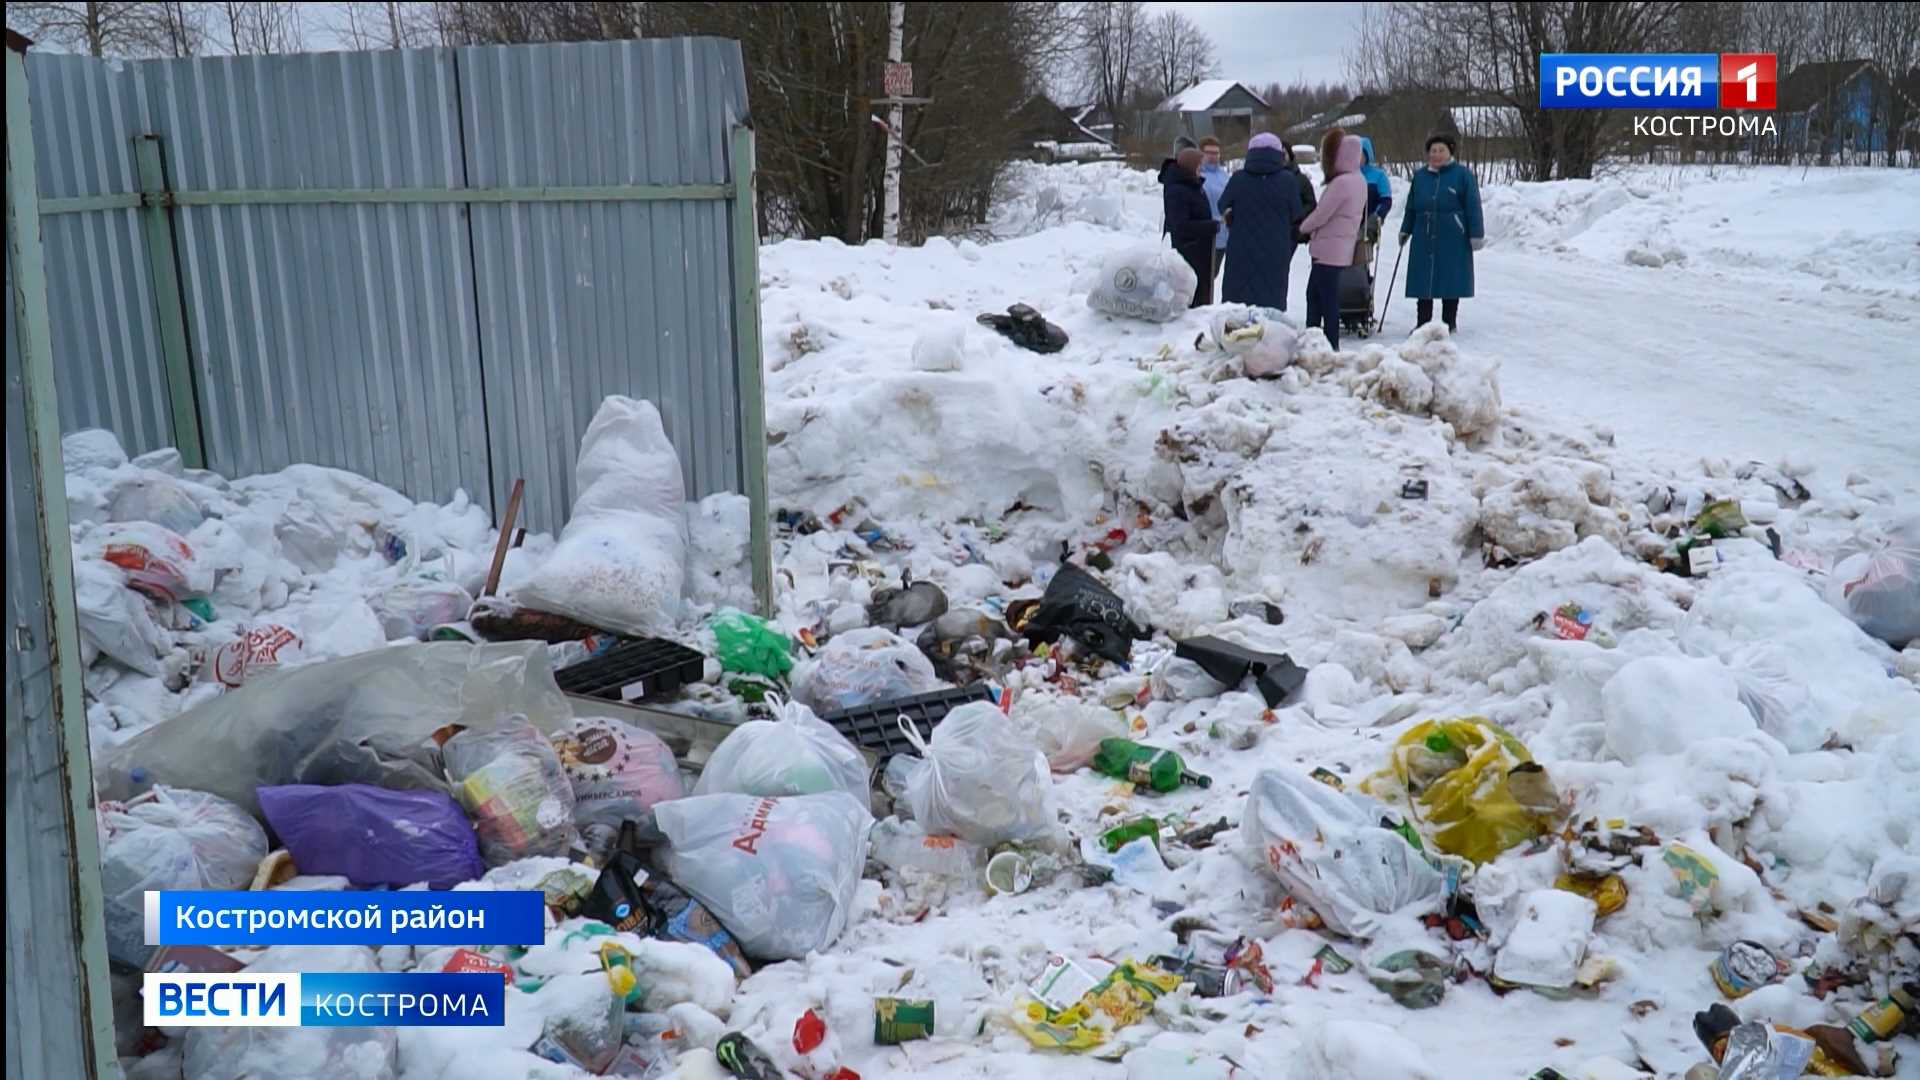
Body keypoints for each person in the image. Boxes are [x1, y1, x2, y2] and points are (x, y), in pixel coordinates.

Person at [1396, 132, 1484, 334]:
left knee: (1450, 278)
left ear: (1450, 152)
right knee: (1423, 279)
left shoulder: (1463, 175)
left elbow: (1473, 205)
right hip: (1424, 232)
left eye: (1441, 150)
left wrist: (1475, 234)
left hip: (1453, 233)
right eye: (1433, 151)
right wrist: (1405, 229)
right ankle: (1423, 323)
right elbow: (1411, 207)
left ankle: (1448, 322)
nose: (1436, 154)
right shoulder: (1420, 176)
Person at [1296, 129, 1366, 349]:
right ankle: (1320, 341)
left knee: (1321, 299)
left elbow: (1321, 214)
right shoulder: (1359, 180)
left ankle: (1323, 344)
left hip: (1328, 249)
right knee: (1322, 296)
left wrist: (1302, 227)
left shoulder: (1342, 183)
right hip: (1339, 248)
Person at [1216, 132, 1300, 311]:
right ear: (1278, 154)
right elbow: (1297, 214)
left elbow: (1222, 205)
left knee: (1237, 305)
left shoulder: (1238, 179)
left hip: (1241, 249)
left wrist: (1232, 216)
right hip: (1275, 251)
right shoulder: (1288, 181)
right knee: (1271, 305)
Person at [1160, 146, 1219, 307]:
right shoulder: (1178, 191)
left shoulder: (1191, 185)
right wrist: (1210, 226)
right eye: (1199, 165)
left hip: (1200, 252)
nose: (1201, 168)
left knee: (1201, 295)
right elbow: (1180, 226)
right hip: (1189, 252)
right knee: (1192, 296)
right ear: (1190, 166)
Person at [1198, 136, 1230, 290]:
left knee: (1211, 277)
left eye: (1216, 153)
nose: (1213, 156)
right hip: (1202, 235)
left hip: (1222, 237)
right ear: (1201, 153)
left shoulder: (1225, 177)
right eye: (1209, 152)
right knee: (1199, 278)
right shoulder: (1197, 174)